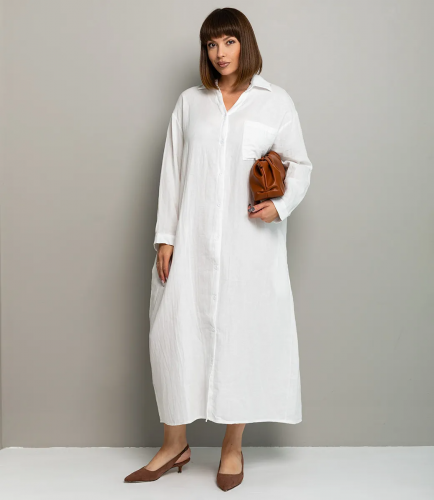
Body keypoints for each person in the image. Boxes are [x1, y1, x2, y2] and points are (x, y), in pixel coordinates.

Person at [124, 7, 313, 491]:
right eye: (211, 44)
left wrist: (280, 206)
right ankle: (174, 445)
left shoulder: (275, 102)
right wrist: (165, 237)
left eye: (228, 42)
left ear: (245, 43)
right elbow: (172, 170)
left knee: (242, 337)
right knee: (175, 333)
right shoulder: (190, 103)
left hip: (250, 246)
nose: (220, 53)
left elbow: (301, 165)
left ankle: (232, 447)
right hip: (190, 241)